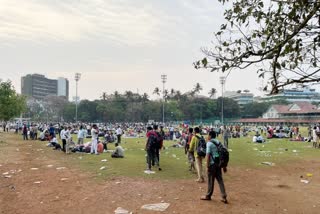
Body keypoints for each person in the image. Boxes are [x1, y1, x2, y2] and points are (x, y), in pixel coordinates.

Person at [201, 130, 228, 203]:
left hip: (212, 164)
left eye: (208, 135)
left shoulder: (209, 143)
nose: (207, 136)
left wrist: (207, 166)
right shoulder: (218, 142)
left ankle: (208, 195)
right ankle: (224, 196)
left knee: (210, 180)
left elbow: (208, 155)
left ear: (210, 136)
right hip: (218, 164)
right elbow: (223, 154)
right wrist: (224, 166)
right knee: (220, 180)